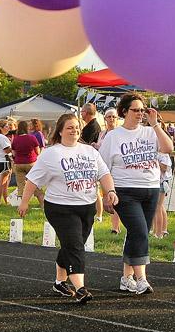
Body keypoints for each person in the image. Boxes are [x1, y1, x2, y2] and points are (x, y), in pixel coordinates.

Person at [18, 113, 118, 303]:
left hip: (87, 206)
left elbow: (104, 173)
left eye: (77, 127)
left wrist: (110, 191)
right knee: (75, 246)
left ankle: (59, 282)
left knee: (72, 243)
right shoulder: (51, 153)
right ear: (61, 131)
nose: (74, 130)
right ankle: (80, 288)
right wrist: (24, 202)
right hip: (60, 208)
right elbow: (32, 180)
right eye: (70, 127)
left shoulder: (90, 151)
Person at [98, 93, 173, 295]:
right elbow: (103, 168)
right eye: (136, 110)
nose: (140, 113)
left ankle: (126, 277)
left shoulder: (150, 133)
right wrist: (107, 193)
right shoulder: (113, 137)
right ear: (124, 111)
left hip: (150, 189)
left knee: (136, 234)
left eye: (142, 110)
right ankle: (141, 278)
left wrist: (155, 124)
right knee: (140, 232)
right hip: (125, 191)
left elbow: (168, 148)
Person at [93, 108, 122, 233]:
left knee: (113, 196)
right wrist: (95, 146)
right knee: (107, 197)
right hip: (103, 168)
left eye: (113, 117)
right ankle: (115, 225)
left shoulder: (120, 133)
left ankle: (115, 227)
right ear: (105, 119)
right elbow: (102, 148)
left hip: (116, 168)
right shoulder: (102, 134)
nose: (111, 119)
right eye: (108, 117)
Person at [12, 120, 43, 206]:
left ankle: (23, 205)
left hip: (18, 164)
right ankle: (42, 204)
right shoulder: (32, 138)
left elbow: (14, 153)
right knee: (35, 183)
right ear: (26, 128)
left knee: (21, 185)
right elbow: (38, 151)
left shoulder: (15, 139)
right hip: (31, 163)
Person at [0, 119, 13, 205]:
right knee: (2, 183)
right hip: (4, 161)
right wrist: (15, 146)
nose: (8, 128)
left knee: (5, 184)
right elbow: (7, 150)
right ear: (1, 128)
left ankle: (6, 201)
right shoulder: (2, 137)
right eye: (6, 126)